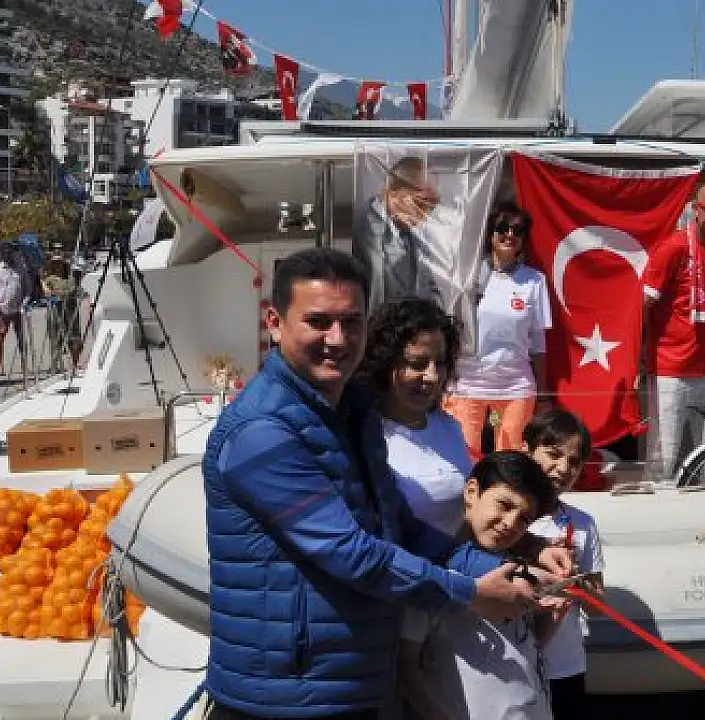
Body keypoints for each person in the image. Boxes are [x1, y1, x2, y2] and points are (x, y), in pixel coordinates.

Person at [203, 248, 545, 720]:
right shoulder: (261, 432)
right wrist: (470, 594)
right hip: (284, 699)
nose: (337, 339)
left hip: (353, 685)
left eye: (352, 322)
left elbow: (399, 526)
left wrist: (516, 567)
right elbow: (351, 554)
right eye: (318, 321)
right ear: (275, 324)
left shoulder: (355, 413)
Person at [408, 451, 561, 720]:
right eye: (504, 505)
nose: (510, 523)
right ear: (471, 493)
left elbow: (525, 647)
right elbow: (406, 664)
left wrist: (553, 618)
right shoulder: (432, 571)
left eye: (524, 518)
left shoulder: (518, 565)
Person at [640, 182, 705, 482]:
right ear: (696, 210)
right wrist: (640, 353)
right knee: (664, 456)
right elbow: (642, 304)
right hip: (672, 369)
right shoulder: (673, 248)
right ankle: (657, 508)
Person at [445, 201, 552, 457]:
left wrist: (543, 394)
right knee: (463, 457)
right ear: (489, 234)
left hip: (515, 384)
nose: (510, 235)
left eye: (518, 230)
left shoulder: (535, 280)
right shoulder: (465, 277)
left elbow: (538, 342)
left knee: (511, 458)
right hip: (467, 381)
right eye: (502, 228)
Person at [523, 409, 606, 720]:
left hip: (565, 666)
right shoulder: (508, 518)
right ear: (527, 451)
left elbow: (597, 606)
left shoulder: (583, 524)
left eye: (574, 462)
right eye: (553, 455)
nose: (562, 468)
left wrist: (575, 580)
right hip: (515, 662)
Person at [352, 155, 443, 311]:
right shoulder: (366, 228)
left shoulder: (415, 233)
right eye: (420, 203)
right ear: (393, 193)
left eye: (432, 206)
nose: (426, 214)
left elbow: (428, 286)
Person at [0, 245, 28, 376]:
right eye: (4, 252)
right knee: (0, 339)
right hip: (2, 310)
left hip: (18, 310)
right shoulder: (0, 268)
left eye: (9, 252)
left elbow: (27, 289)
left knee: (21, 339)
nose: (7, 255)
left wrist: (24, 304)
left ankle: (25, 366)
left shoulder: (21, 269)